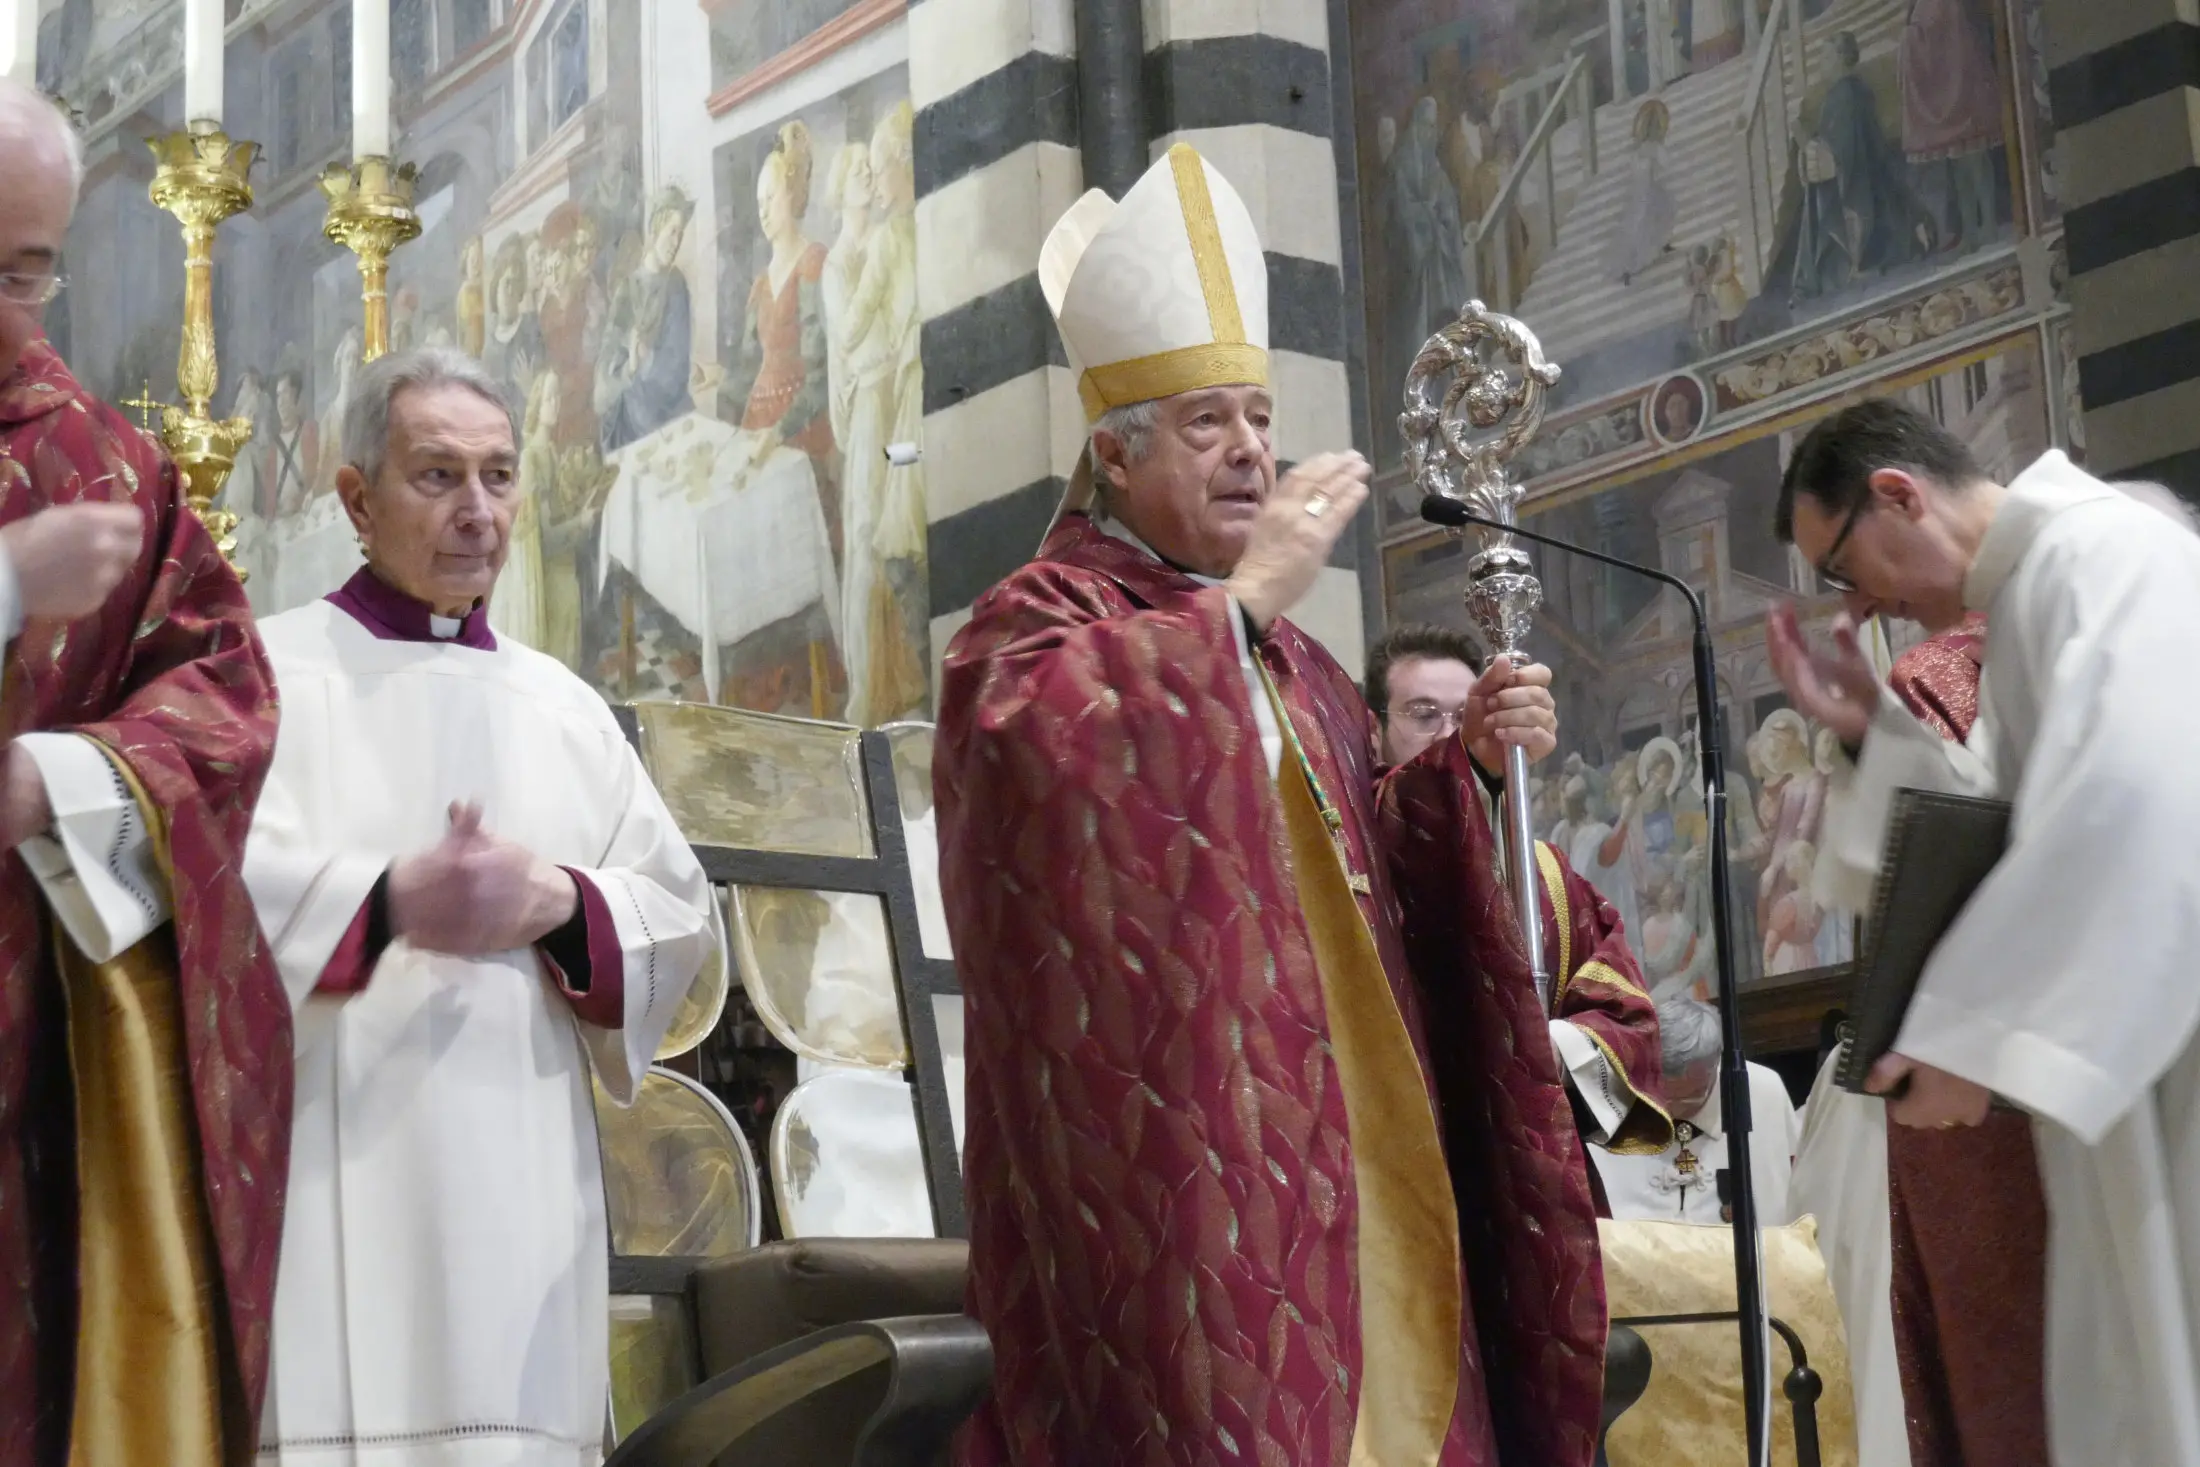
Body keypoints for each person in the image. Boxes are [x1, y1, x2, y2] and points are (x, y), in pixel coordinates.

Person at [937, 144, 1609, 1467]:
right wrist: (1236, 609)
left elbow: (1357, 871)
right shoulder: (1033, 626)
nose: (1251, 449)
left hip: (1352, 1146)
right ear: (1113, 457)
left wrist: (1456, 774)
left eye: (1258, 416)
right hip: (1185, 1169)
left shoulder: (1301, 660)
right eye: (1206, 424)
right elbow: (1043, 784)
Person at [243, 349, 716, 1464]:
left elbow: (677, 916)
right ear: (356, 498)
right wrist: (389, 899)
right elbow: (201, 898)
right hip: (328, 1177)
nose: (478, 513)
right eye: (438, 476)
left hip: (523, 1189)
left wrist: (555, 899)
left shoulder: (563, 706)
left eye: (499, 478)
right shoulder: (264, 680)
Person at [1766, 398, 2200, 1466]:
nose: (1861, 603)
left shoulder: (2100, 554)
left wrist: (1969, 1028)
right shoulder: (2031, 595)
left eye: (1844, 566)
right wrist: (1875, 736)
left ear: (1899, 494)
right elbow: (2014, 826)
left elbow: (2133, 806)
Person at [0, 79, 287, 1467]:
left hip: (26, 1063)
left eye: (30, 270)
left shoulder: (103, 466)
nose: (11, 312)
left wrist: (67, 775)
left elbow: (223, 688)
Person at [1366, 623, 1671, 1166]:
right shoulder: (1357, 857)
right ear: (1373, 731)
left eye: (1466, 716)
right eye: (1422, 713)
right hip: (1400, 1155)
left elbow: (1628, 1018)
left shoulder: (1546, 874)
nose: (1449, 734)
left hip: (1528, 1161)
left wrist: (1560, 1049)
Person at [1592, 997, 1799, 1225]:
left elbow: (1793, 1191)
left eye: (1686, 1099)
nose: (1668, 1111)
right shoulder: (1610, 1093)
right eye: (1658, 1097)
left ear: (1715, 1069)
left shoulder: (1761, 1091)